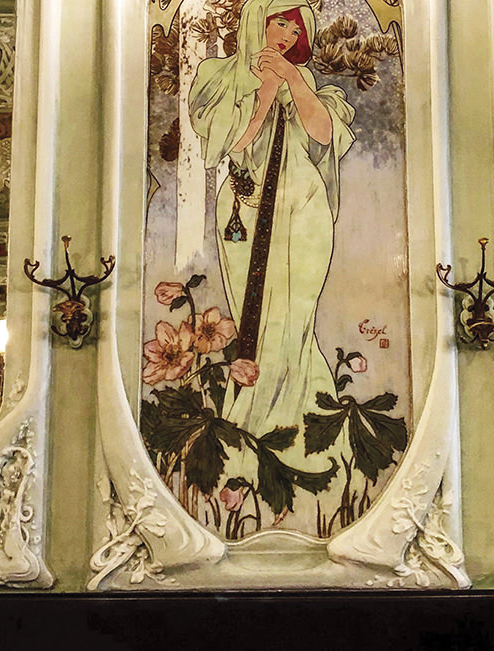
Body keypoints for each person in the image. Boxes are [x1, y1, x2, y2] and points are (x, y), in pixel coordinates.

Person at [189, 0, 355, 473]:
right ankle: (248, 428)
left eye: (296, 29)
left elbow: (323, 134)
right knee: (257, 319)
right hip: (243, 209)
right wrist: (264, 90)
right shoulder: (218, 77)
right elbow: (230, 144)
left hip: (304, 205)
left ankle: (300, 429)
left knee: (295, 317)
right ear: (256, 19)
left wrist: (295, 81)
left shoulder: (310, 84)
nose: (286, 35)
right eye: (280, 22)